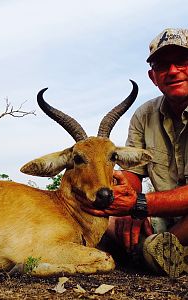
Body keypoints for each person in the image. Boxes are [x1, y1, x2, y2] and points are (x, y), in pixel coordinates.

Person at [86, 28, 188, 278]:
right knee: (102, 214)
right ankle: (154, 251)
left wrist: (139, 204)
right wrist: (127, 199)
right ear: (153, 76)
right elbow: (132, 174)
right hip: (162, 216)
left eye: (182, 62)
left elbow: (140, 201)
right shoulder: (144, 115)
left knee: (145, 243)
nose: (172, 71)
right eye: (162, 66)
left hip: (165, 214)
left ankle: (151, 252)